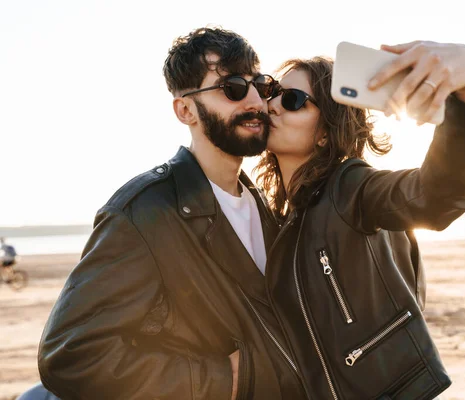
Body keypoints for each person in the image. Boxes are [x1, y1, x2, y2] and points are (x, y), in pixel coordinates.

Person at [37, 27, 307, 400]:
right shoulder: (144, 213)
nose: (255, 102)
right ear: (185, 110)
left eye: (259, 85)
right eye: (231, 87)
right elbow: (70, 354)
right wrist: (217, 382)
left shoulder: (266, 208)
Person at [254, 45, 465, 399]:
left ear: (326, 131)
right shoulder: (277, 220)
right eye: (273, 93)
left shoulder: (351, 189)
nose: (273, 105)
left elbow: (435, 196)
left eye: (294, 100)